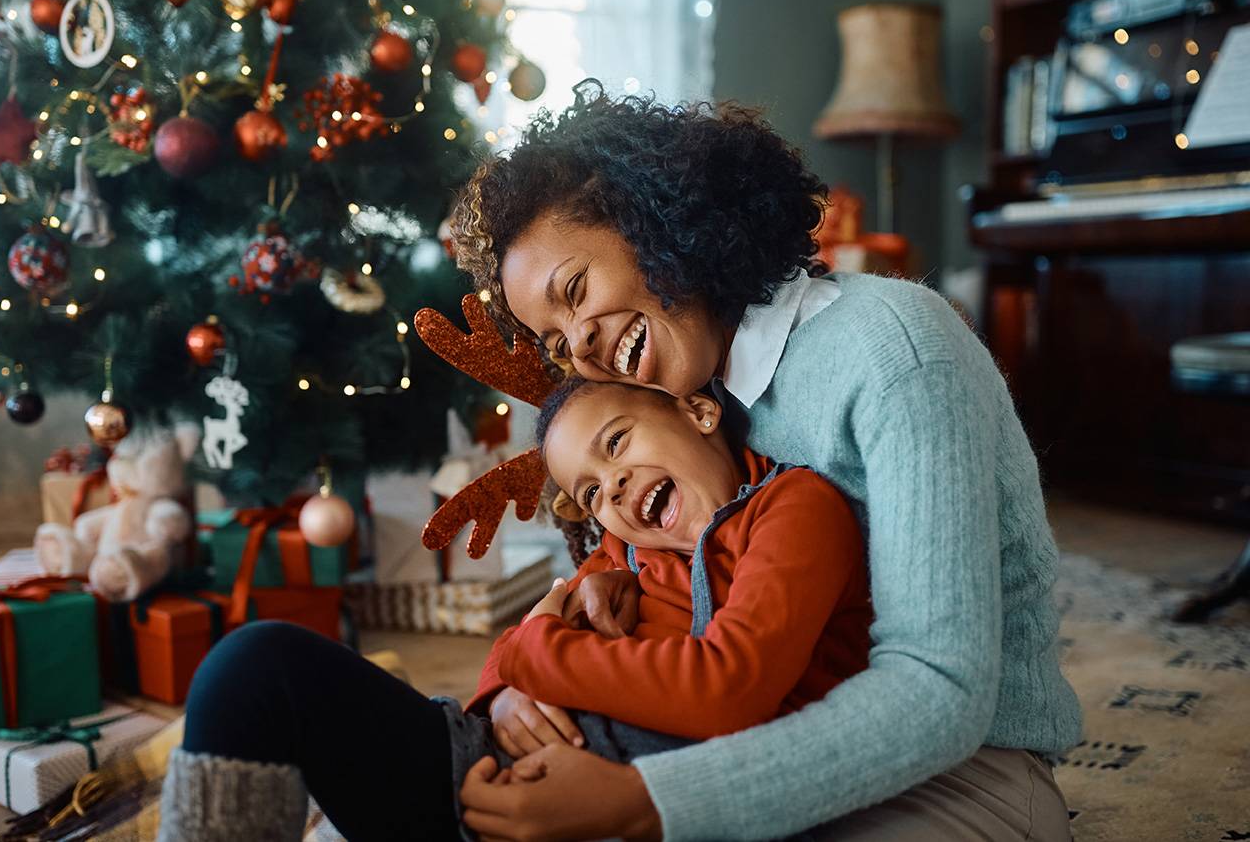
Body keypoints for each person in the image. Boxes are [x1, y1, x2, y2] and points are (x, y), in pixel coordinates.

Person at [449, 81, 1081, 842]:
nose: (578, 346)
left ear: (651, 220)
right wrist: (509, 697)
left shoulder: (895, 351)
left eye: (576, 291)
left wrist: (649, 801)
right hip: (755, 737)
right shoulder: (683, 397)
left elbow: (940, 691)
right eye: (556, 342)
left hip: (965, 769)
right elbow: (581, 595)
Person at [156, 376, 872, 842]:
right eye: (591, 494)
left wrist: (535, 648)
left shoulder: (793, 507)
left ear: (700, 409)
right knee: (255, 664)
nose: (614, 490)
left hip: (632, 805)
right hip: (483, 774)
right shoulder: (624, 548)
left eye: (617, 442)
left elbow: (729, 690)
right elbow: (519, 646)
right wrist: (502, 690)